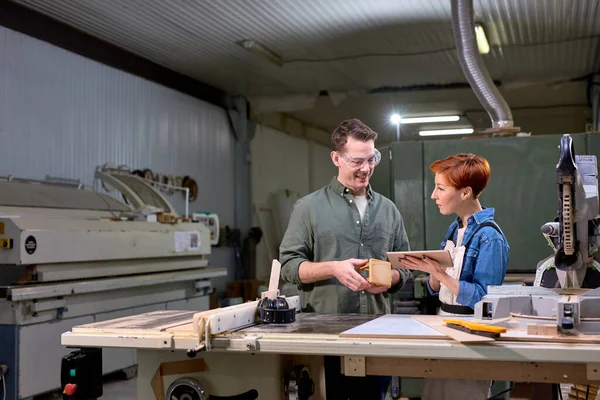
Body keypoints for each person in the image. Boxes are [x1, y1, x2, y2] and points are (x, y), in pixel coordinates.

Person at [279, 118, 411, 400]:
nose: (366, 169)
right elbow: (289, 267)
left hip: (377, 334)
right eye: (357, 161)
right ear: (336, 158)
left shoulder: (389, 210)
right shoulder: (308, 209)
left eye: (371, 159)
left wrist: (390, 278)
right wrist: (333, 268)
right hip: (325, 338)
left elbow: (406, 270)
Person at [400, 153, 509, 400]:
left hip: (473, 334)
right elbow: (437, 288)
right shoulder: (455, 228)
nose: (433, 195)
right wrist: (432, 272)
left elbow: (484, 299)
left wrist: (441, 274)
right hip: (445, 326)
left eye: (440, 188)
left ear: (465, 192)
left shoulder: (490, 238)